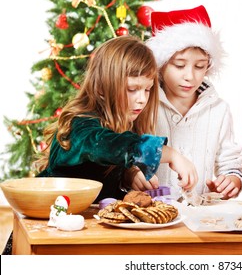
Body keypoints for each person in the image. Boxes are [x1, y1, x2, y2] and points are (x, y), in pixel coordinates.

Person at [34, 35, 198, 202]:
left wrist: (128, 174)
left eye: (147, 89)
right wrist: (170, 154)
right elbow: (107, 145)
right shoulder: (80, 127)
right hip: (48, 220)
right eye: (132, 89)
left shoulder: (121, 122)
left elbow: (103, 168)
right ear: (102, 88)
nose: (141, 99)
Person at [144, 5, 242, 200]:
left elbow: (230, 163)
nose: (189, 76)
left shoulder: (219, 109)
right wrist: (132, 174)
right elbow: (127, 152)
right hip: (152, 217)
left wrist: (231, 181)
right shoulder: (144, 104)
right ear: (162, 63)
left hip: (200, 215)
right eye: (179, 65)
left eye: (200, 66)